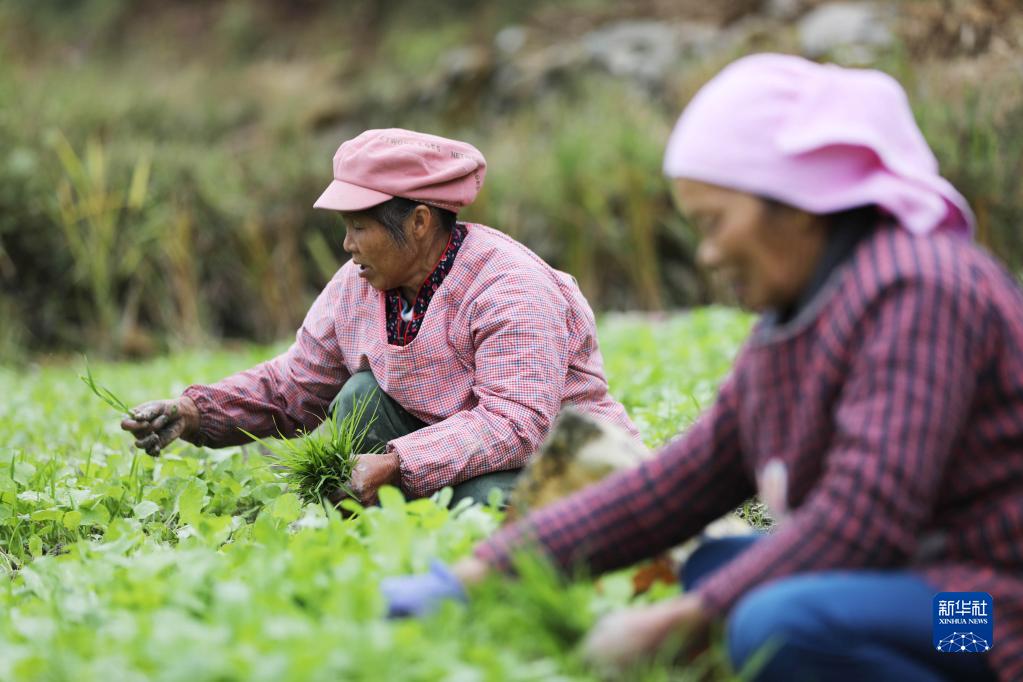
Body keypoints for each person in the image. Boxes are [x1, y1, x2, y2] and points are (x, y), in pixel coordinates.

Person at [380, 55, 1022, 681]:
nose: (709, 254)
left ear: (797, 203)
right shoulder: (799, 319)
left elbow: (864, 520)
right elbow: (679, 484)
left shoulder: (920, 290)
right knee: (716, 567)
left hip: (982, 613)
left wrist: (680, 622)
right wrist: (483, 571)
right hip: (910, 585)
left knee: (773, 622)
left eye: (713, 223)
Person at [120, 128, 639, 507]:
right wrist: (195, 412)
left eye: (359, 227)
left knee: (481, 504)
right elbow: (294, 385)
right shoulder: (359, 284)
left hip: (562, 462)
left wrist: (397, 464)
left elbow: (515, 423)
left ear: (418, 222)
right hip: (442, 453)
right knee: (359, 396)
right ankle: (409, 512)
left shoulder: (509, 287)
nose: (347, 245)